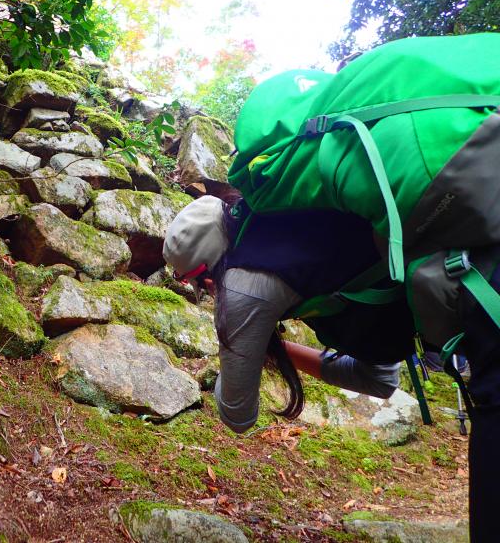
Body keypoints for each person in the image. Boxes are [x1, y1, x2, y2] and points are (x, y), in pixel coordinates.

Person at [163, 194, 500, 541]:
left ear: (206, 269)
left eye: (196, 281)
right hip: (473, 256)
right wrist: (273, 348)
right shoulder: (282, 217)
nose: (204, 290)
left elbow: (237, 415)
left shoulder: (243, 289)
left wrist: (235, 346)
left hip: (482, 300)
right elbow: (379, 379)